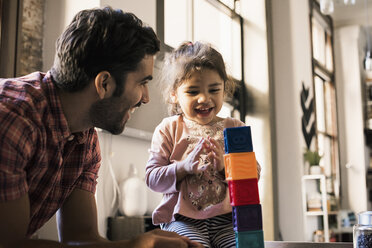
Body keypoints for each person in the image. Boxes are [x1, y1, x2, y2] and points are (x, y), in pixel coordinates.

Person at [0, 7, 203, 248]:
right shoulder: (13, 121)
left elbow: (80, 238)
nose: (146, 97)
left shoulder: (85, 139)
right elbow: (10, 244)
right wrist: (133, 246)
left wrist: (141, 244)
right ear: (104, 83)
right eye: (142, 83)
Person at [145, 41, 261, 248]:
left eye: (214, 89)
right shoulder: (168, 129)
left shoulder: (234, 127)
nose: (204, 98)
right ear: (174, 94)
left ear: (224, 89)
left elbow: (254, 174)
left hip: (228, 221)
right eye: (192, 92)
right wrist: (183, 167)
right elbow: (152, 179)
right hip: (183, 221)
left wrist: (226, 166)